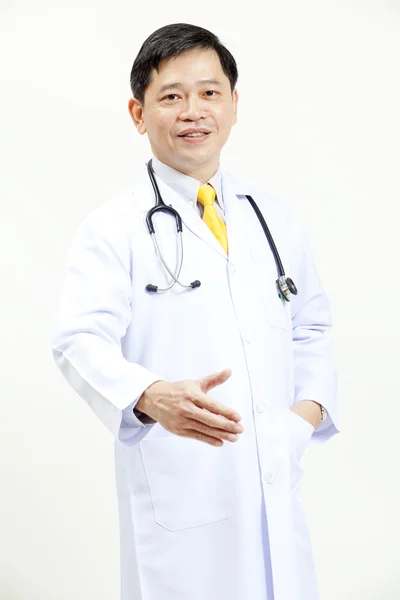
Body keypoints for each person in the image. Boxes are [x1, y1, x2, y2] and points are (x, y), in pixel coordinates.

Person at [52, 22, 339, 600]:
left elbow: (311, 325)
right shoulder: (114, 227)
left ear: (234, 105)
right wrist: (149, 393)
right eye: (171, 96)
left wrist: (299, 419)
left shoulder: (272, 218)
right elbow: (78, 341)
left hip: (272, 480)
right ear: (138, 113)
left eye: (210, 93)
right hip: (183, 488)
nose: (193, 111)